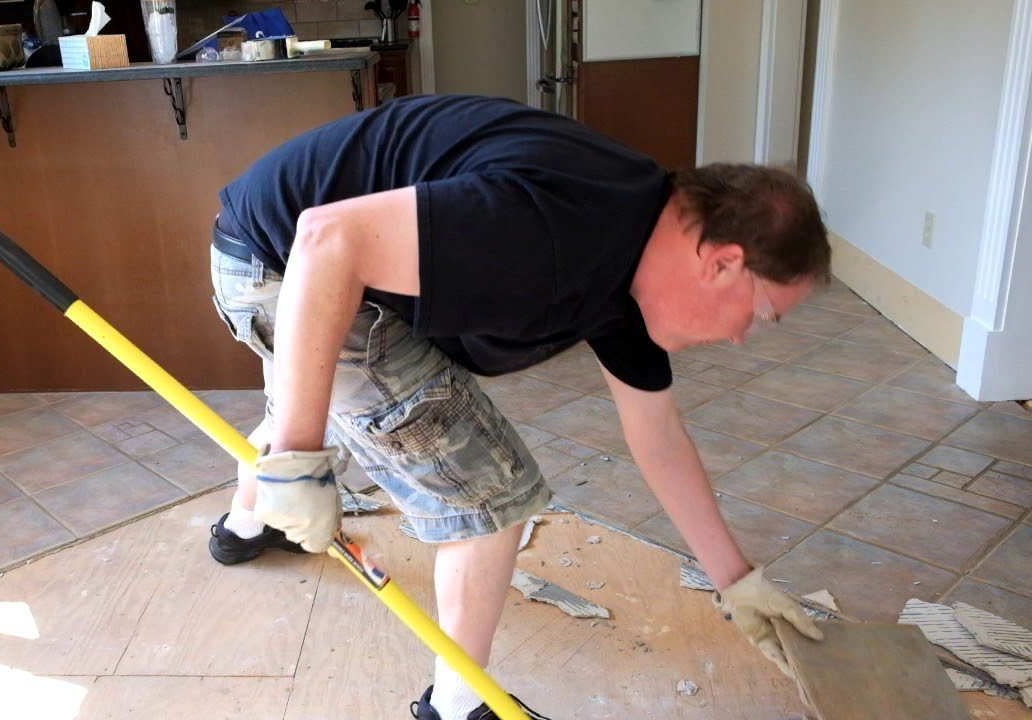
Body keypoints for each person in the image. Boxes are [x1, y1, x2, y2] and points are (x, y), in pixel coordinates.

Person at [205, 94, 828, 720]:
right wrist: (297, 459)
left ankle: (247, 527)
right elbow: (326, 239)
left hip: (300, 258)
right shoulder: (551, 225)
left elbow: (658, 437)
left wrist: (736, 580)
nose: (744, 335)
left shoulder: (633, 251)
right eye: (762, 313)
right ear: (723, 263)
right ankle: (456, 706)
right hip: (281, 269)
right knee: (491, 495)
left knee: (333, 402)